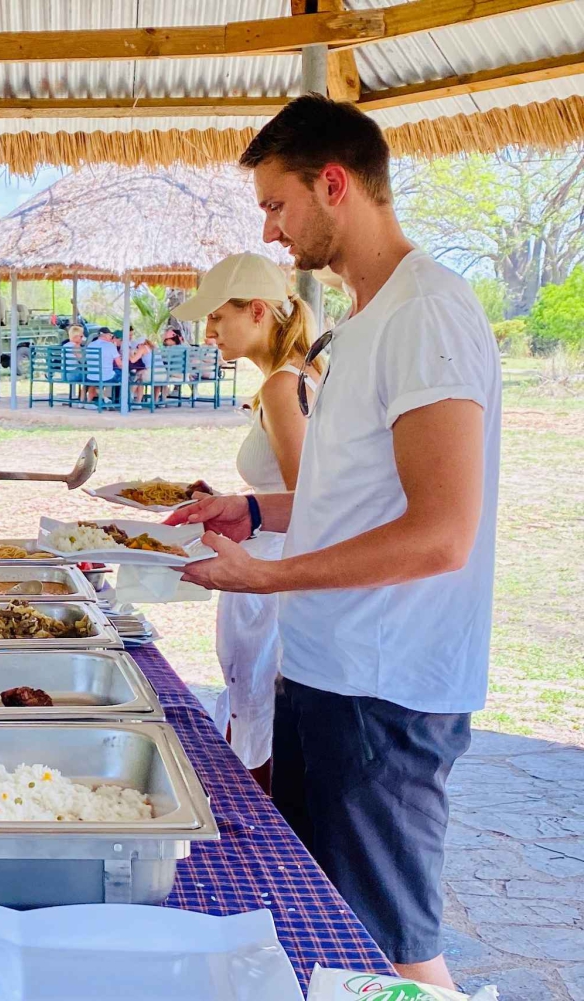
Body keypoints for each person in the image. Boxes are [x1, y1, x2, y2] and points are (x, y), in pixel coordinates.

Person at [170, 95, 500, 987]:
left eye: (278, 205)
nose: (273, 233)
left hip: (383, 689)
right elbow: (353, 497)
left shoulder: (428, 313)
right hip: (328, 671)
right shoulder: (363, 319)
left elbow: (441, 533)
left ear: (333, 182)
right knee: (329, 933)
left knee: (396, 949)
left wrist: (267, 580)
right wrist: (257, 513)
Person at [168, 253, 323, 792]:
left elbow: (311, 500)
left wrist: (249, 511)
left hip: (274, 571)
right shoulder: (290, 377)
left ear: (257, 311)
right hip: (270, 556)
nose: (207, 331)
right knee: (254, 710)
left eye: (216, 316)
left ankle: (254, 834)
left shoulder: (284, 385)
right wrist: (231, 502)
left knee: (258, 718)